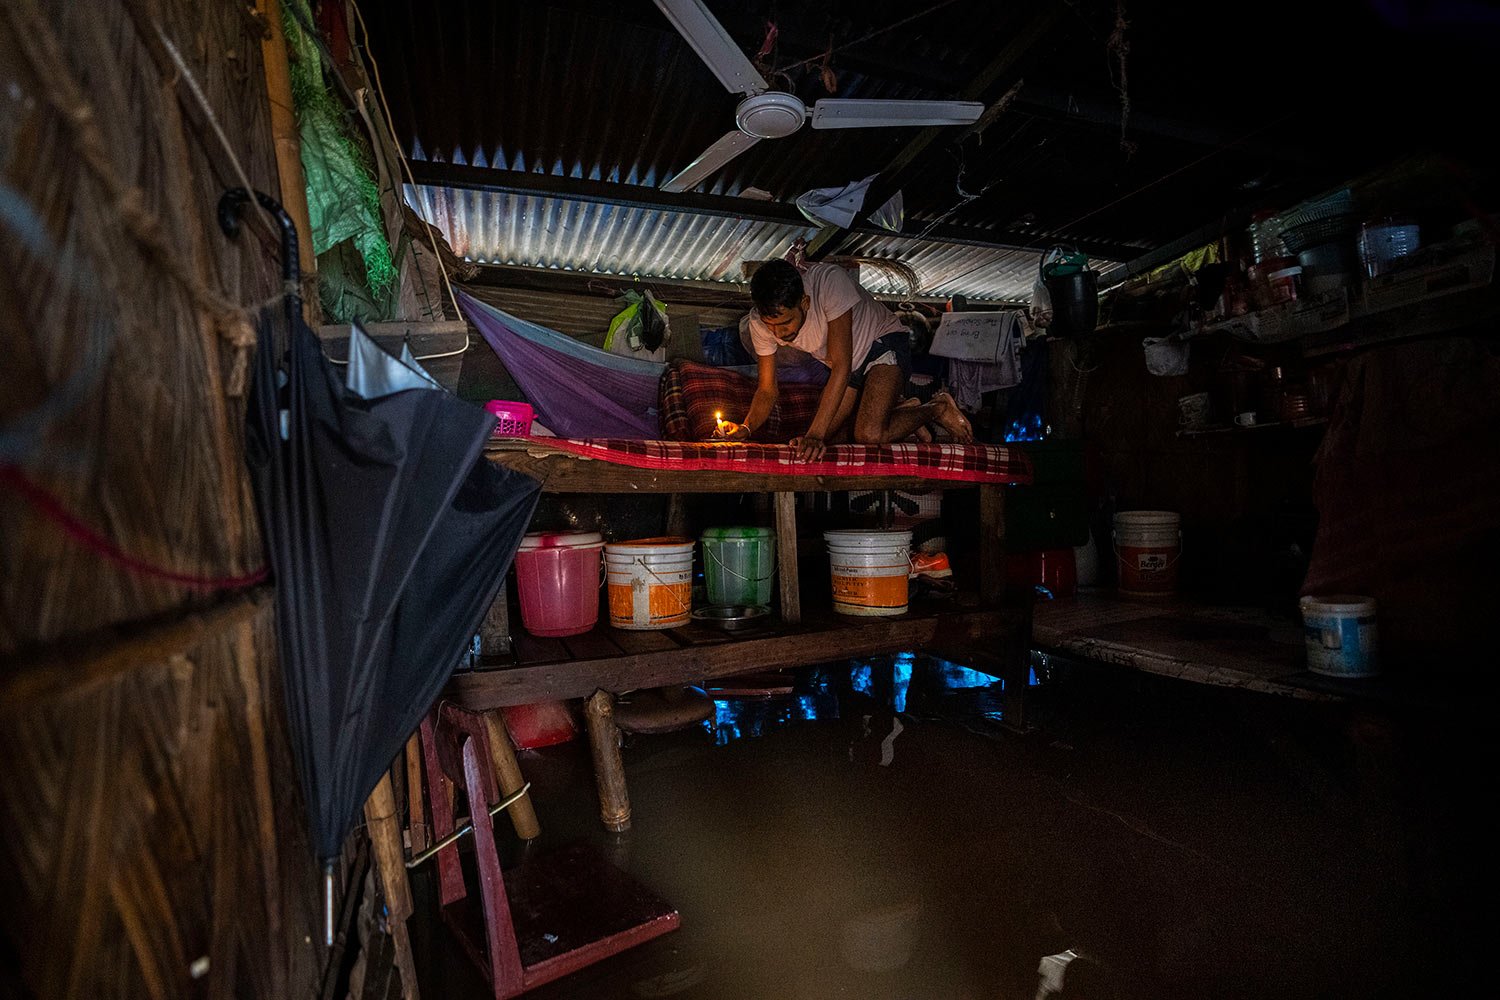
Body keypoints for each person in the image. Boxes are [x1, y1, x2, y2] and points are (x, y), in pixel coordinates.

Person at [721, 260, 972, 461]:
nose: (779, 333)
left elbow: (841, 365)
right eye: (771, 326)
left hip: (882, 343)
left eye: (786, 322)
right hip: (850, 367)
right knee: (832, 442)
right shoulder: (759, 323)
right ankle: (902, 409)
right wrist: (746, 428)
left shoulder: (829, 282)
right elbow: (767, 390)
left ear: (805, 302)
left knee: (868, 434)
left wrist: (814, 435)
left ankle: (936, 407)